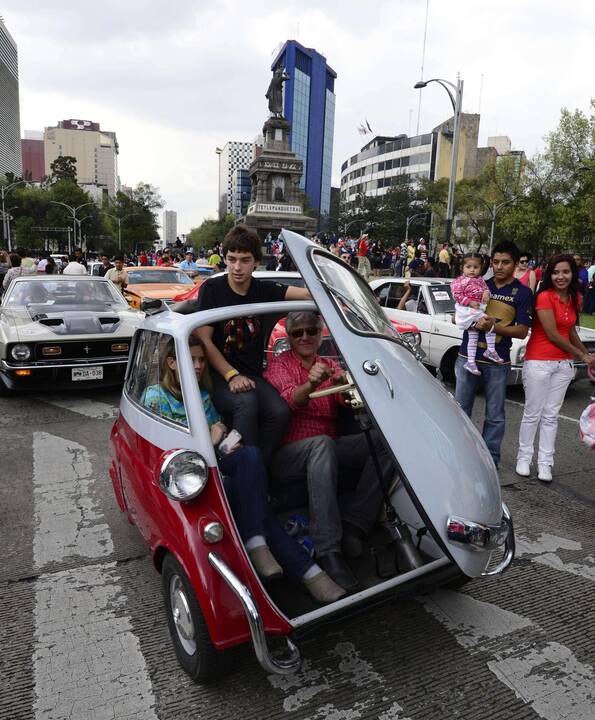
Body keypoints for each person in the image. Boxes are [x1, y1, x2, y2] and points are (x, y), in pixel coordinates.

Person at [142, 335, 344, 603]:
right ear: (171, 363)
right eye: (191, 360)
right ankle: (306, 570)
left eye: (202, 360)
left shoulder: (202, 395)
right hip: (187, 474)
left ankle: (258, 542)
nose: (199, 365)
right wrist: (210, 441)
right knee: (250, 501)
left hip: (216, 459)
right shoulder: (155, 396)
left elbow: (219, 436)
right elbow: (166, 453)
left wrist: (224, 441)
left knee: (250, 454)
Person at [264, 311, 393, 594]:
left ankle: (357, 523)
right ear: (290, 338)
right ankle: (328, 549)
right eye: (298, 333)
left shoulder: (328, 364)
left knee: (387, 441)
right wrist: (310, 384)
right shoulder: (279, 365)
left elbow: (346, 400)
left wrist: (345, 389)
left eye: (311, 330)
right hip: (288, 453)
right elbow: (288, 401)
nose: (305, 337)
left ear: (321, 333)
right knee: (321, 444)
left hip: (328, 446)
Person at [191, 225, 309, 463]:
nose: (237, 267)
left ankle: (259, 466)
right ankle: (234, 467)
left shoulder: (263, 288)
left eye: (245, 260)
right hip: (217, 375)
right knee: (246, 403)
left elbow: (307, 295)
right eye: (231, 259)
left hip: (252, 376)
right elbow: (203, 339)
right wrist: (231, 375)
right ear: (224, 259)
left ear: (256, 262)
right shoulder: (212, 289)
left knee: (280, 411)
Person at [516, 255, 595, 482]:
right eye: (556, 272)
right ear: (550, 275)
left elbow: (569, 331)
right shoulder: (544, 296)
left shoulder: (572, 298)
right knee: (533, 413)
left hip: (563, 365)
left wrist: (586, 355)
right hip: (539, 361)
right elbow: (551, 334)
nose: (561, 277)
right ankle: (524, 458)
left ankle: (545, 463)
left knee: (551, 416)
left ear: (573, 273)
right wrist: (582, 355)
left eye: (566, 272)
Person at [455, 241, 533, 469]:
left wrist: (491, 327)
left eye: (505, 262)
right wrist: (464, 318)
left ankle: (490, 460)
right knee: (460, 410)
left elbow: (522, 331)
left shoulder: (523, 292)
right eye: (496, 262)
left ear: (516, 263)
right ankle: (459, 454)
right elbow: (456, 316)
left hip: (497, 361)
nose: (499, 266)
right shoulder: (478, 282)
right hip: (466, 357)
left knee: (495, 415)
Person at [451, 252, 505, 375]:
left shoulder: (480, 280)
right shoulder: (460, 281)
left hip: (476, 309)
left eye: (475, 267)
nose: (472, 270)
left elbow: (486, 289)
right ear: (462, 268)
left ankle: (470, 362)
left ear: (480, 268)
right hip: (466, 310)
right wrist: (469, 302)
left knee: (473, 337)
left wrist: (486, 293)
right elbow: (456, 295)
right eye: (468, 267)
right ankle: (490, 350)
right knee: (489, 323)